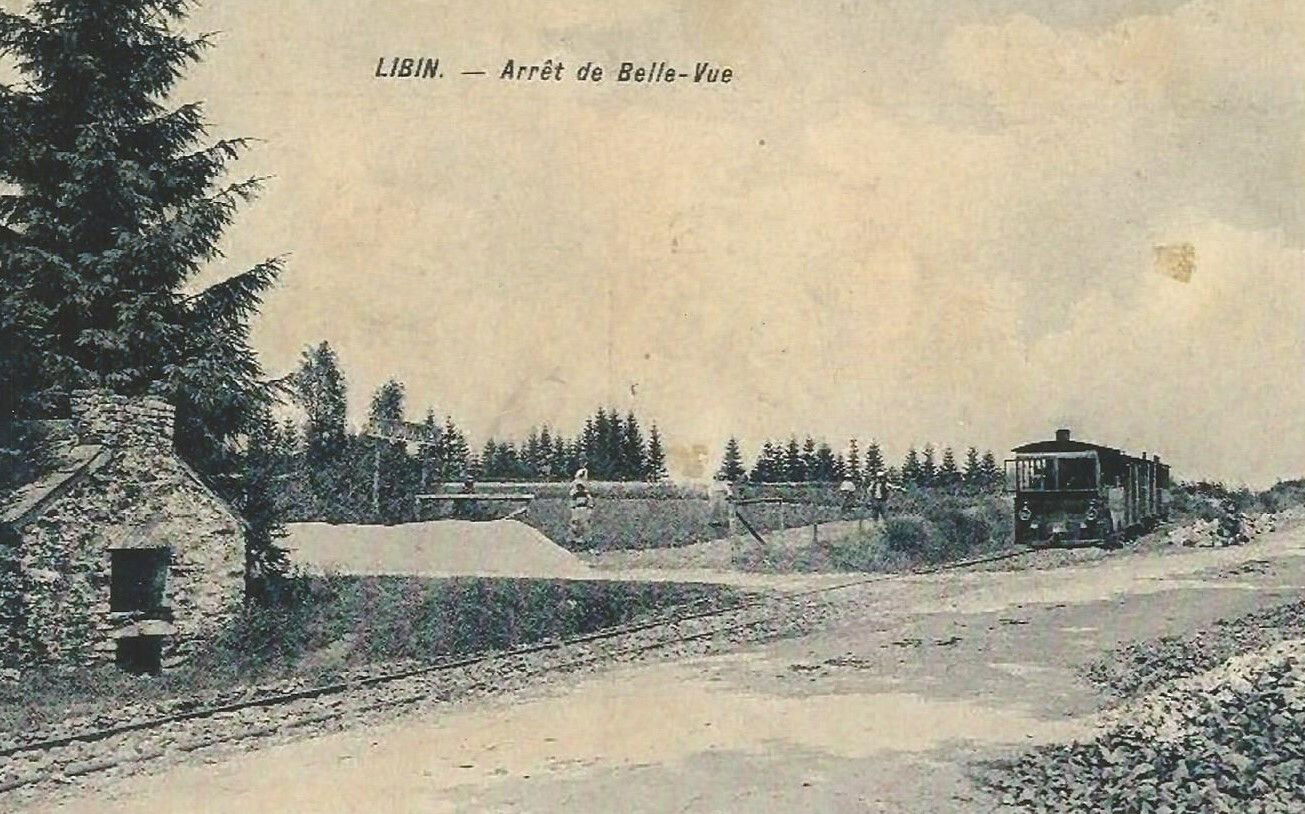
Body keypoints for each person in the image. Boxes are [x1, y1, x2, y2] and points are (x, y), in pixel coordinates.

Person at [568, 468, 595, 547]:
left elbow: (589, 500)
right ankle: (575, 540)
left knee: (584, 524)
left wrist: (590, 508)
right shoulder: (575, 490)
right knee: (575, 523)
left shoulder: (585, 492)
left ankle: (585, 540)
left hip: (583, 508)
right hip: (577, 507)